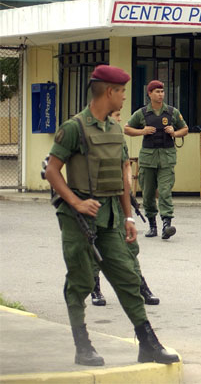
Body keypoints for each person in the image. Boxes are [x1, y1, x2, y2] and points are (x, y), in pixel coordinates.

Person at [44, 65, 179, 366]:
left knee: (127, 276)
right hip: (78, 218)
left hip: (111, 216)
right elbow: (52, 171)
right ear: (109, 92)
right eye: (121, 92)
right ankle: (82, 345)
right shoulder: (74, 128)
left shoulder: (115, 129)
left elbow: (121, 175)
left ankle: (148, 344)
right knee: (80, 281)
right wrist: (76, 204)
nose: (123, 99)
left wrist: (129, 218)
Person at [90, 109, 159, 306]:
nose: (120, 119)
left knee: (130, 246)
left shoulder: (119, 139)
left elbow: (126, 165)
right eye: (117, 115)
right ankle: (95, 288)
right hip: (97, 202)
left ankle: (140, 287)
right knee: (94, 244)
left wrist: (127, 189)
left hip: (118, 202)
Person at [125, 80, 188, 240]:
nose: (161, 94)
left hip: (166, 158)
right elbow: (127, 128)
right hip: (148, 158)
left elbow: (185, 129)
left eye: (162, 91)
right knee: (147, 193)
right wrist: (142, 131)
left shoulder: (172, 112)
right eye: (157, 92)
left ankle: (167, 224)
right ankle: (152, 225)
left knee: (165, 191)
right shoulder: (142, 113)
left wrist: (174, 133)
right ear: (150, 94)